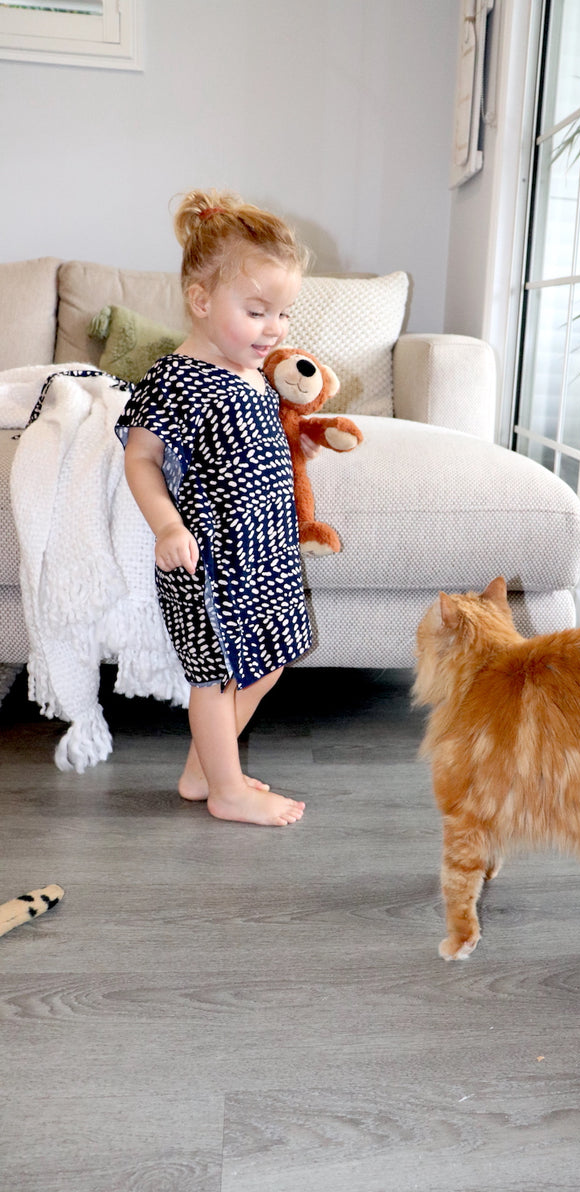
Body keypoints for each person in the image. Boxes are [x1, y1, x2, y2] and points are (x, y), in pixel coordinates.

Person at [116, 188, 312, 826]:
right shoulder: (178, 377)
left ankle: (206, 770)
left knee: (269, 663)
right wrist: (166, 525)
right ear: (201, 301)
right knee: (215, 677)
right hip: (206, 559)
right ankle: (226, 791)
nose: (275, 329)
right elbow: (141, 459)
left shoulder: (251, 370)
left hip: (262, 552)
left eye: (282, 313)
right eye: (257, 311)